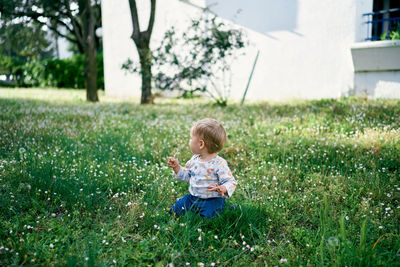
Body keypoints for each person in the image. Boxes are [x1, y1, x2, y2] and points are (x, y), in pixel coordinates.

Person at [168, 118, 238, 219]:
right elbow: (187, 176)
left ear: (201, 144)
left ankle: (224, 206)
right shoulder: (194, 160)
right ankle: (192, 206)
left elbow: (230, 181)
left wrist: (224, 188)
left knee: (210, 218)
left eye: (191, 138)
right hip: (193, 198)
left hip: (212, 199)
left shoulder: (219, 164)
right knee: (175, 210)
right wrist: (177, 167)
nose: (189, 141)